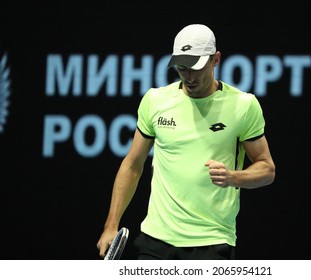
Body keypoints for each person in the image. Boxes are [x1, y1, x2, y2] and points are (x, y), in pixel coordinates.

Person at [97, 23, 275, 260]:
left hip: (213, 241)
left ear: (216, 59)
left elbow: (267, 169)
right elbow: (132, 165)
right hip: (155, 241)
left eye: (196, 68)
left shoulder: (243, 106)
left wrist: (233, 177)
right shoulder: (155, 101)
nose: (189, 76)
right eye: (182, 68)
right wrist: (111, 225)